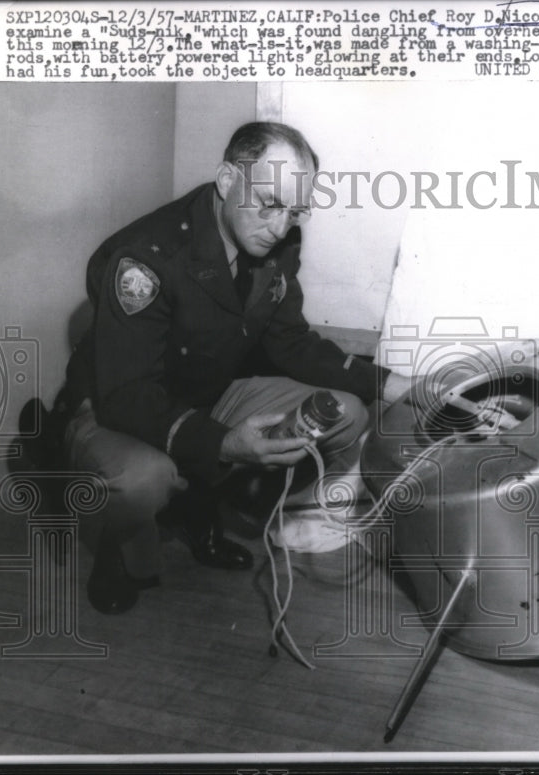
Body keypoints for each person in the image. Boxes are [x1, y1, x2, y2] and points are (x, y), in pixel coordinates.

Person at [56, 122, 409, 614]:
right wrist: (223, 441)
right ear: (226, 179)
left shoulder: (275, 241)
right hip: (119, 404)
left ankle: (201, 499)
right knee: (143, 480)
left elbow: (291, 342)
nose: (282, 226)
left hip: (203, 393)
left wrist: (394, 385)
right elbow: (128, 395)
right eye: (269, 203)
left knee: (345, 412)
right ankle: (115, 547)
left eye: (295, 210)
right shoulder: (146, 259)